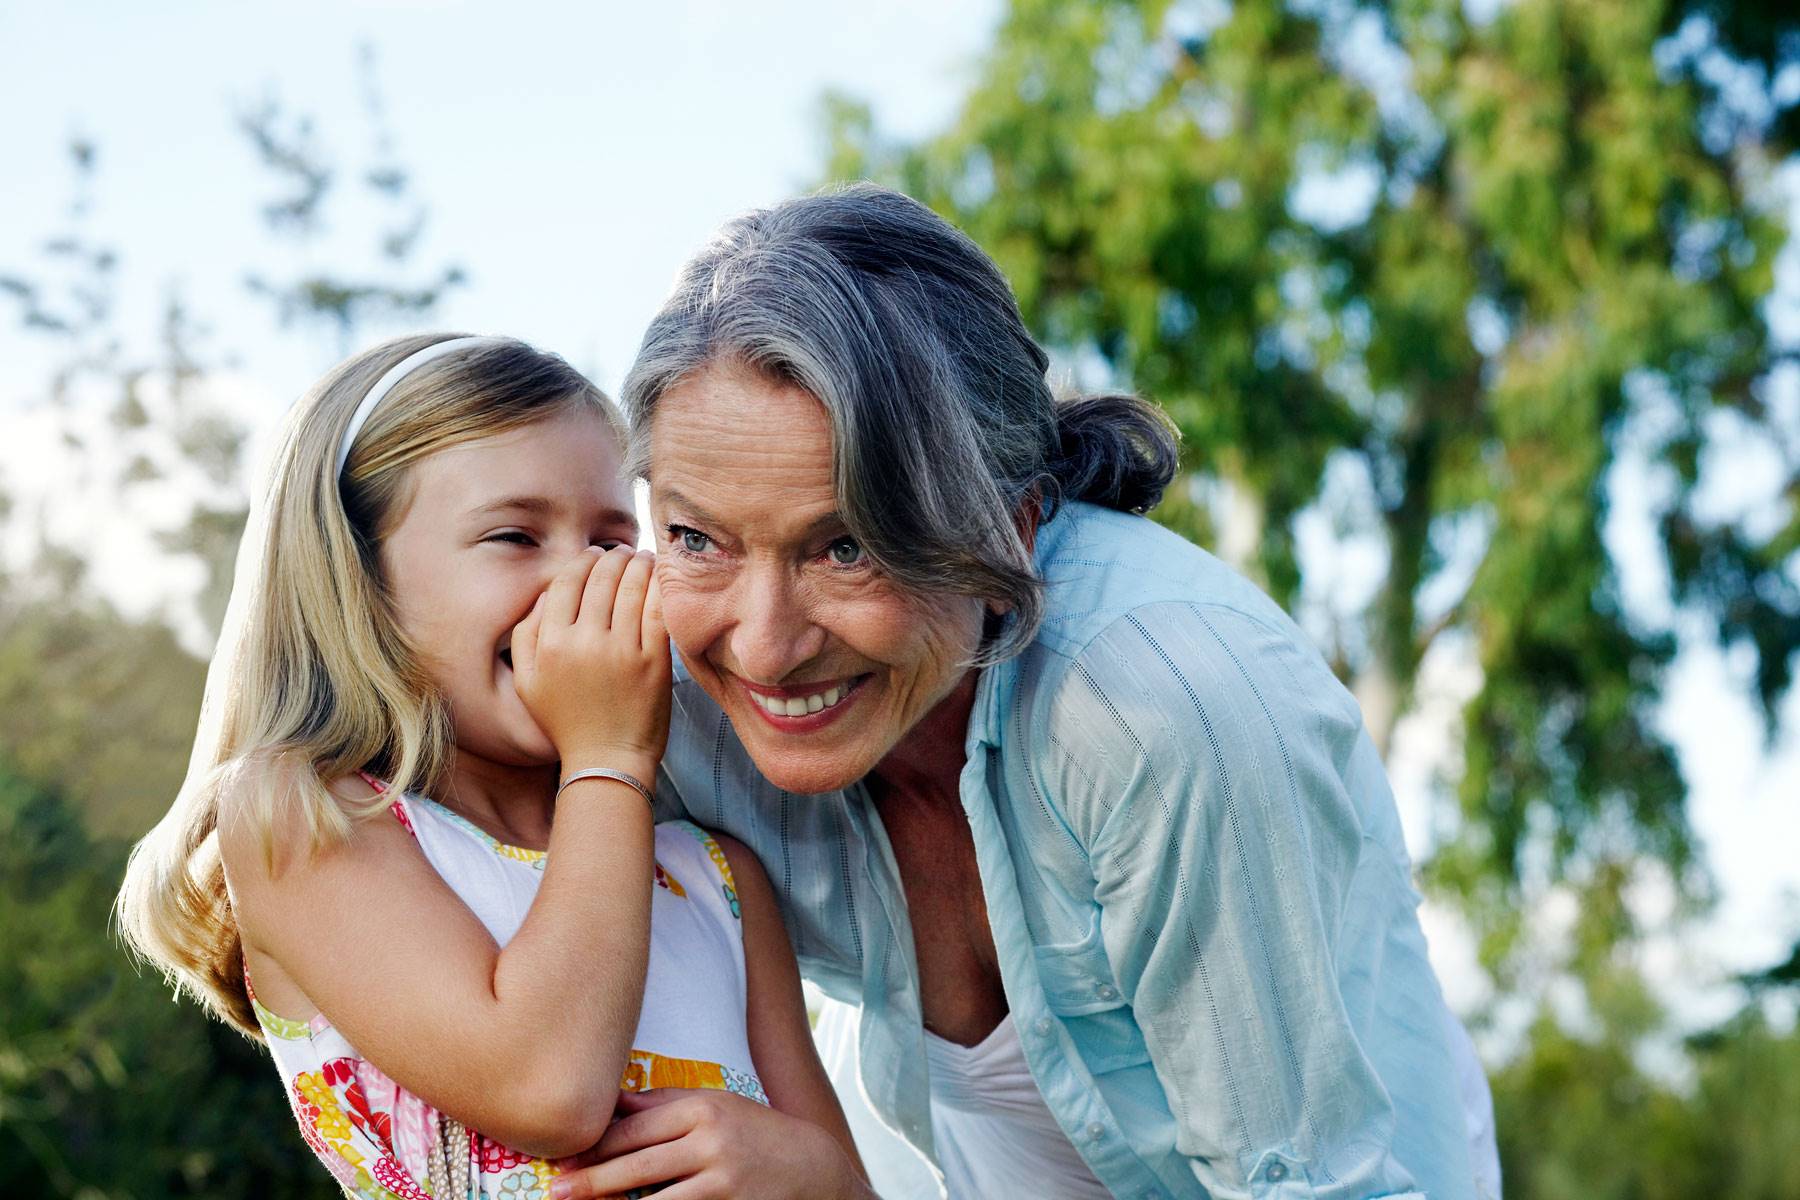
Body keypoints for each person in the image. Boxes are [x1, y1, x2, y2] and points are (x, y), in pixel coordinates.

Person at [558, 185, 1502, 1200]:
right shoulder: (652, 688)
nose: (765, 645)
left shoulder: (1166, 716)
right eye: (698, 538)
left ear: (1012, 523)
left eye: (849, 546)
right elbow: (389, 815)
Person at [117, 335, 875, 1200]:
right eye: (515, 536)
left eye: (611, 539)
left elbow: (846, 1183)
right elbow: (548, 1088)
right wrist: (608, 756)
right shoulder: (304, 815)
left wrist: (819, 1176)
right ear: (362, 585)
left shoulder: (718, 880)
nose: (577, 580)